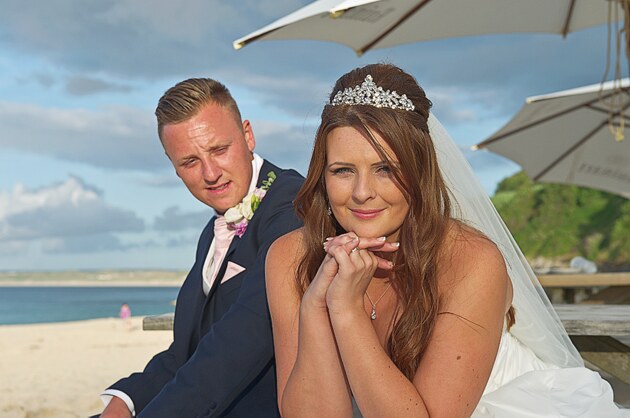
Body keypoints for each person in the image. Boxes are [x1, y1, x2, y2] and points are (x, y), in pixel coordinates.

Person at [265, 63, 628, 417]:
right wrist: (316, 307)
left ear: (419, 170)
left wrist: (345, 311)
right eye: (343, 171)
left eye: (385, 169)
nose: (362, 193)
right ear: (322, 176)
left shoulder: (471, 261)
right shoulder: (290, 256)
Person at [98, 78, 304, 417]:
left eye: (219, 150)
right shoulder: (211, 233)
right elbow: (187, 350)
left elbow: (237, 344)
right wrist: (127, 397)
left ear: (248, 135)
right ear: (173, 166)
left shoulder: (293, 207)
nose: (210, 173)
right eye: (189, 162)